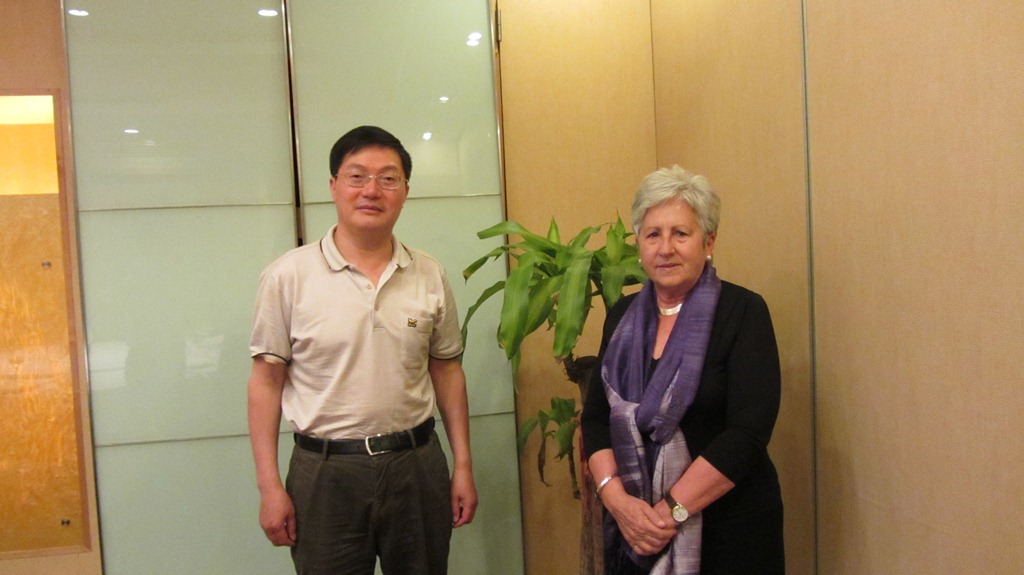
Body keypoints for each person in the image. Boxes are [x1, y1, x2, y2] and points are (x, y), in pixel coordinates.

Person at [247, 125, 477, 575]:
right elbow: (266, 382)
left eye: (388, 178)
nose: (372, 190)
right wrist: (269, 486)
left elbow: (447, 370)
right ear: (333, 186)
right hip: (324, 472)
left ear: (405, 191)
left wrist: (464, 466)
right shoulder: (287, 277)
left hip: (416, 465)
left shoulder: (429, 274)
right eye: (357, 176)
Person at [580, 166, 784, 574]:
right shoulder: (621, 316)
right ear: (638, 243)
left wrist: (668, 513)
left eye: (680, 234)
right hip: (634, 530)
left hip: (729, 532)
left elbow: (747, 433)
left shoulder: (743, 312)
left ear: (709, 242)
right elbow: (596, 419)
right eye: (653, 234)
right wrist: (618, 503)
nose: (665, 248)